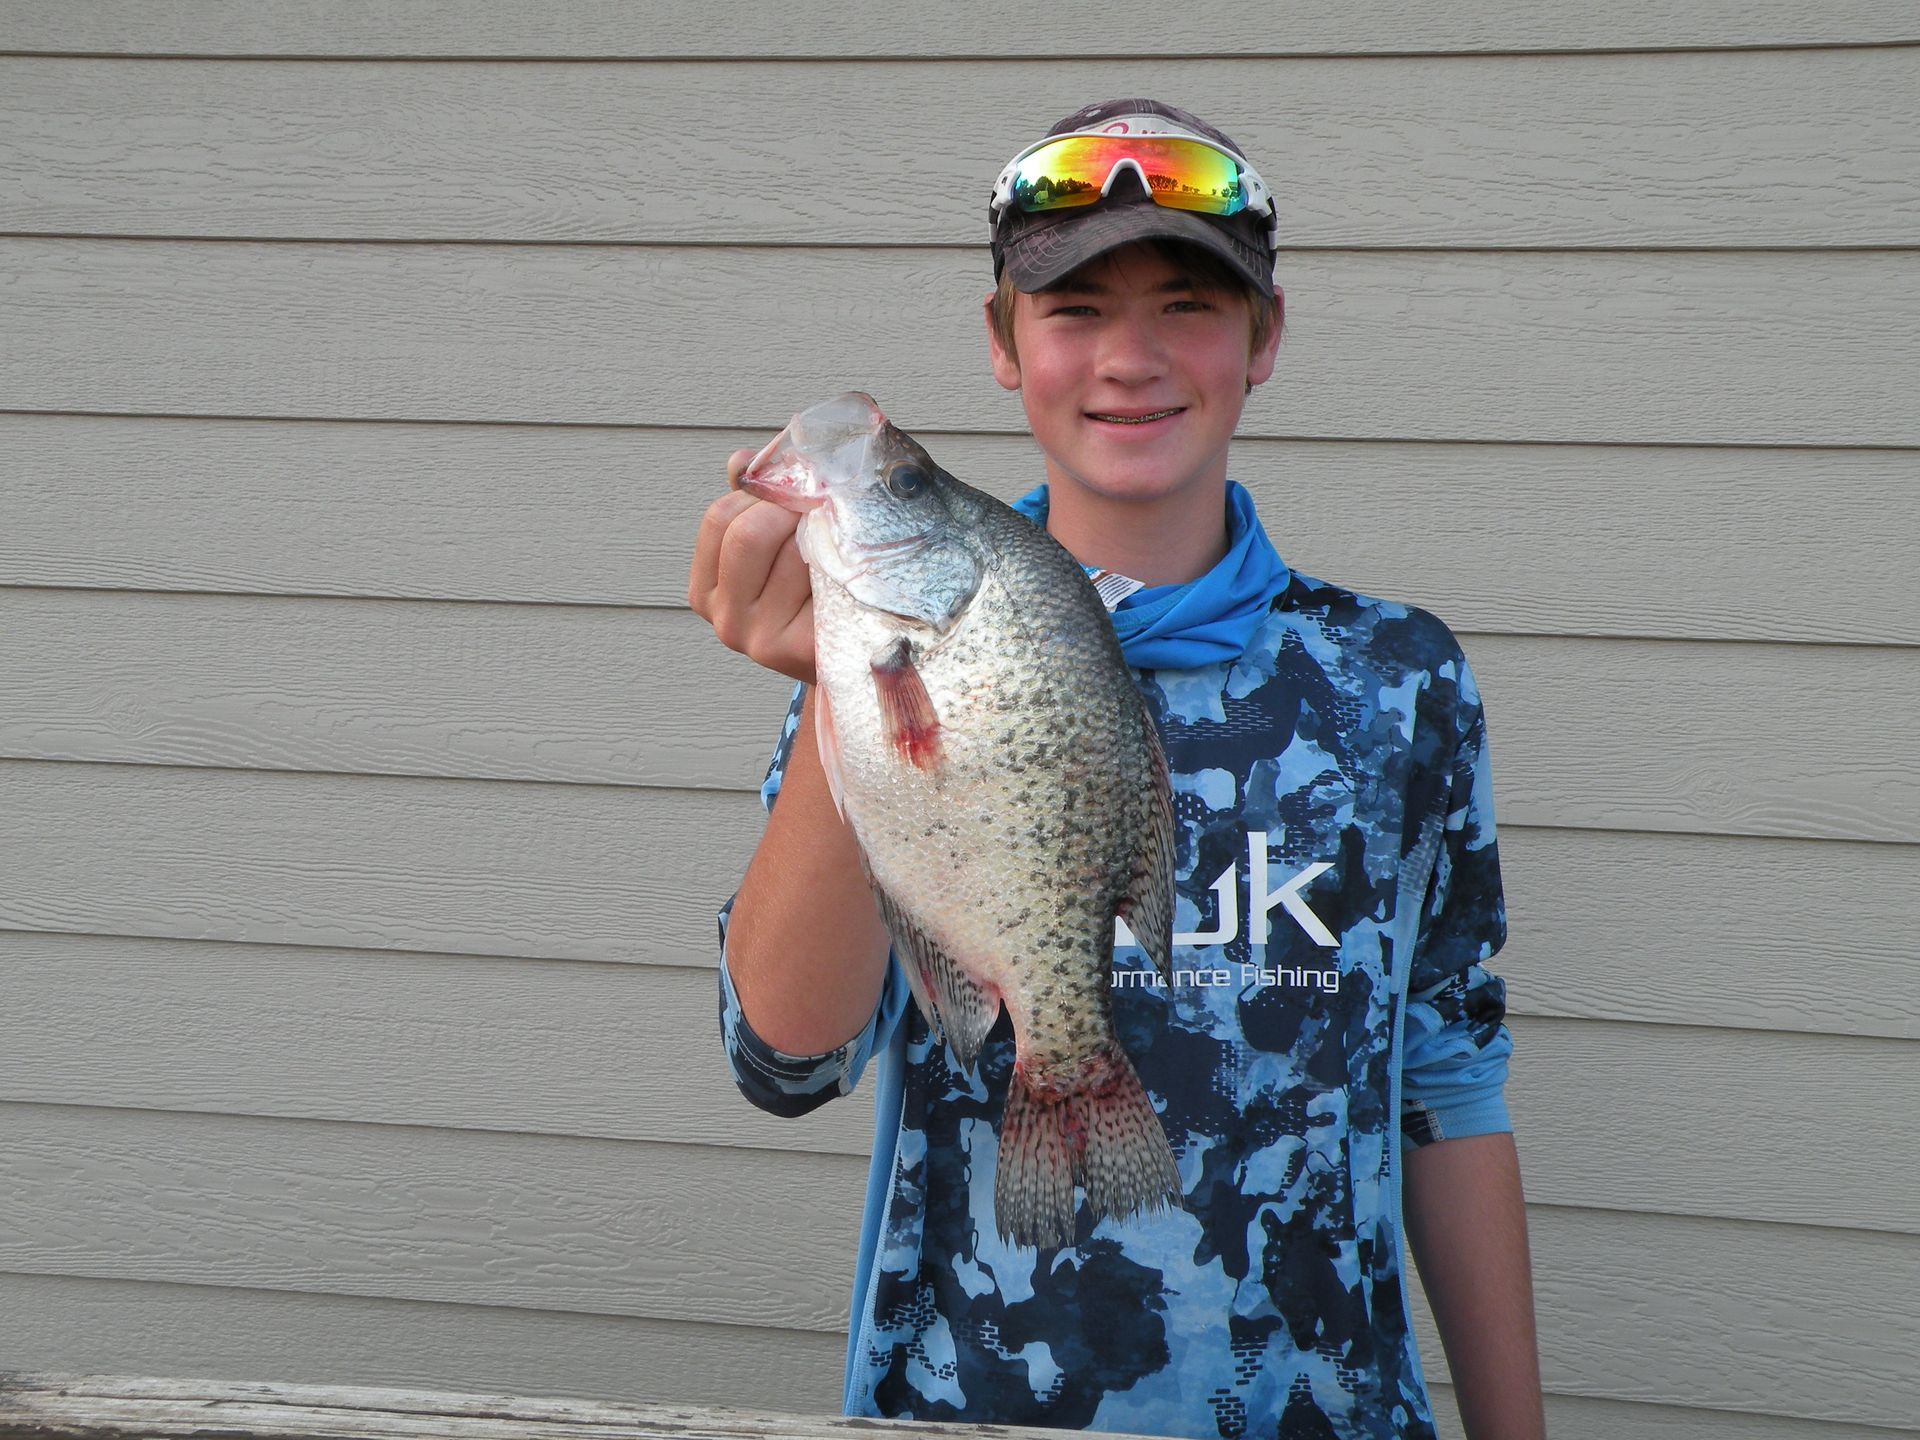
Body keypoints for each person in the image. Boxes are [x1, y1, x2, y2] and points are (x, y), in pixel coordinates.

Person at [689, 99, 1547, 1440]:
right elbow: (785, 1064)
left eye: (1188, 304)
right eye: (1074, 309)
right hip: (970, 1404)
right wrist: (834, 693)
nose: (1131, 359)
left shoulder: (1399, 678)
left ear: (1264, 339)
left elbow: (1451, 1076)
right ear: (1002, 344)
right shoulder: (904, 659)